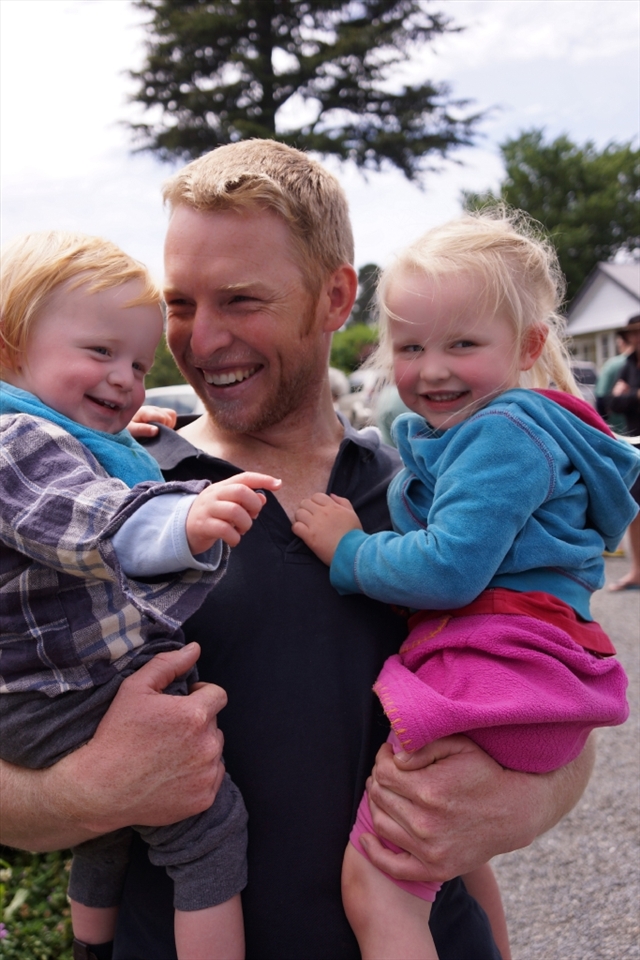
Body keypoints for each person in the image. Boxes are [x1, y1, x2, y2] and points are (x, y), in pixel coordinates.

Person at [0, 142, 598, 960]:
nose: (202, 339)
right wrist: (85, 791)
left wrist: (532, 802)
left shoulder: (430, 498)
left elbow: (560, 695)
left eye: (241, 300)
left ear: (335, 297)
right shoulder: (98, 497)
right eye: (182, 303)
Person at [293, 211, 637, 960]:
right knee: (449, 860)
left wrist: (350, 548)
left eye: (463, 345)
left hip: (493, 667)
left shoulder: (500, 435)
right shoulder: (516, 429)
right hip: (537, 673)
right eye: (412, 347)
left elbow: (449, 569)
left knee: (379, 885)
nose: (433, 370)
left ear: (530, 346)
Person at [0, 231, 280, 960]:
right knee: (207, 829)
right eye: (100, 352)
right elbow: (84, 520)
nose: (124, 379)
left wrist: (120, 437)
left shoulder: (49, 428)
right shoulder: (16, 440)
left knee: (111, 828)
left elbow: (77, 463)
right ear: (11, 345)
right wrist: (183, 517)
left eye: (135, 363)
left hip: (54, 689)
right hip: (59, 690)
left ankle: (91, 947)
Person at [601, 315, 640, 591]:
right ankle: (637, 572)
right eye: (633, 333)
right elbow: (612, 403)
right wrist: (634, 396)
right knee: (635, 508)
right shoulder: (628, 364)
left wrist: (629, 395)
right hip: (635, 443)